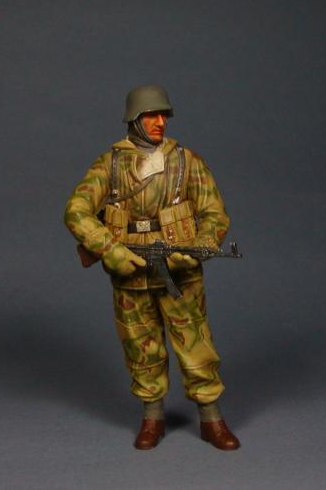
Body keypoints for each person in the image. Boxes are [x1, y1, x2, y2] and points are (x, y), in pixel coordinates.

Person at [64, 85, 240, 450]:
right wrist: (109, 248)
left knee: (196, 343)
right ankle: (152, 417)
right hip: (130, 271)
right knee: (141, 346)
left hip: (179, 270)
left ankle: (211, 418)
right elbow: (76, 210)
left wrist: (199, 247)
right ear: (134, 119)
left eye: (163, 116)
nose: (160, 122)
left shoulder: (186, 161)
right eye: (150, 116)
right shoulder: (111, 163)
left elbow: (214, 213)